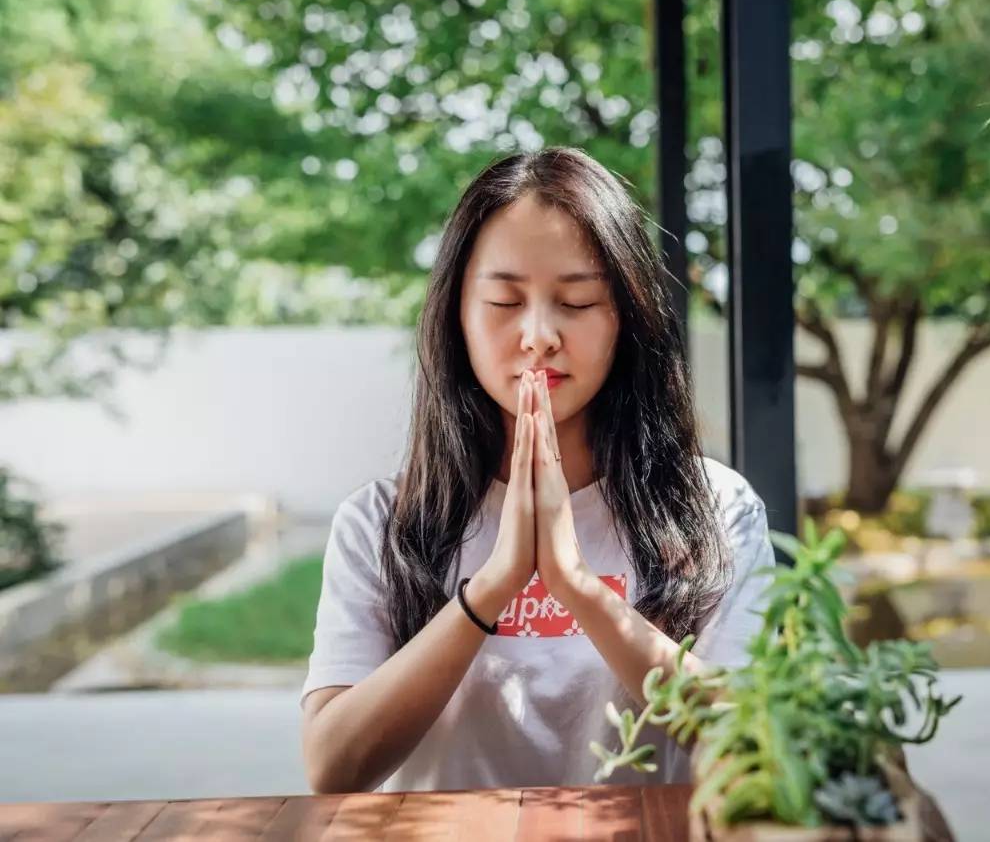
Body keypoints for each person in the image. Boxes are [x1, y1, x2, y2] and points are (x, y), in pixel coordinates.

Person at [300, 147, 777, 795]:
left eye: (577, 302)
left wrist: (577, 584)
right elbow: (332, 765)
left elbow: (753, 745)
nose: (539, 334)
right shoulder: (381, 522)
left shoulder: (716, 508)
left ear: (626, 321)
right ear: (456, 317)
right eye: (503, 300)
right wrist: (492, 587)